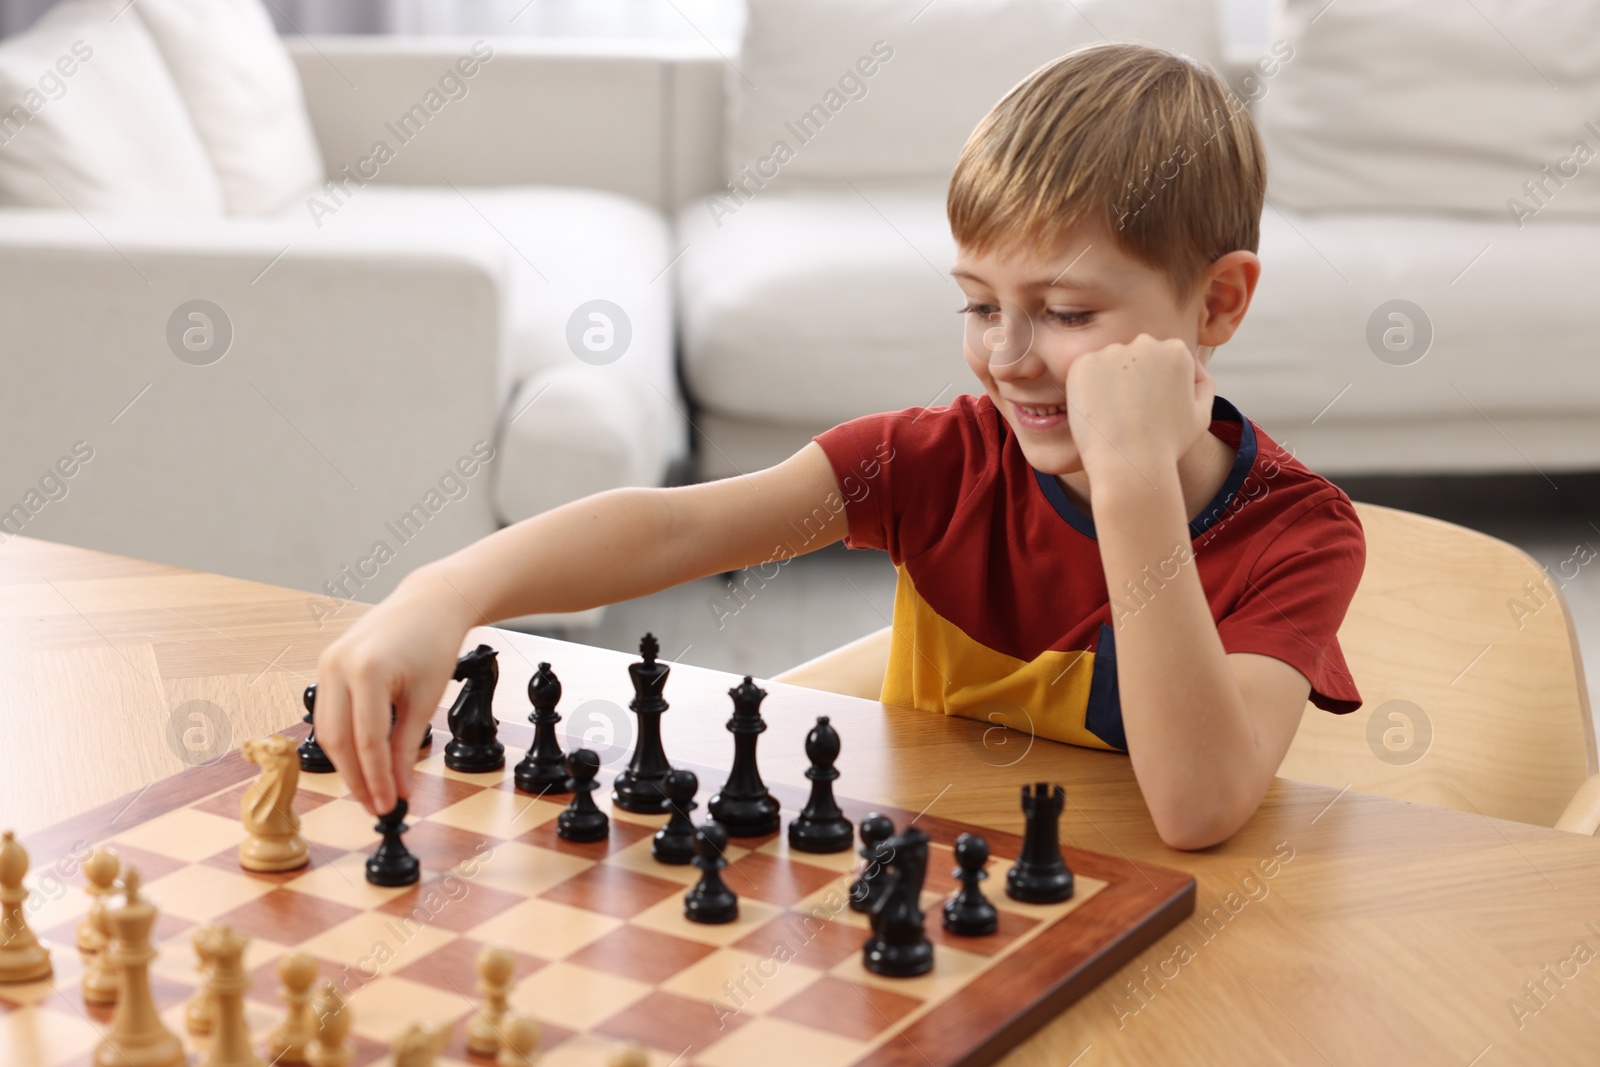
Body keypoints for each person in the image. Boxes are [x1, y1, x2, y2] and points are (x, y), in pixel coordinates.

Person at [312, 42, 1365, 851]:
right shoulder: (932, 461)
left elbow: (1198, 804)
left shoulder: (1296, 535)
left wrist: (1131, 477)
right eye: (977, 303)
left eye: (1067, 312)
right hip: (927, 893)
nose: (1005, 357)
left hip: (1167, 944)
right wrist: (439, 594)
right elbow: (675, 524)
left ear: (1217, 301)